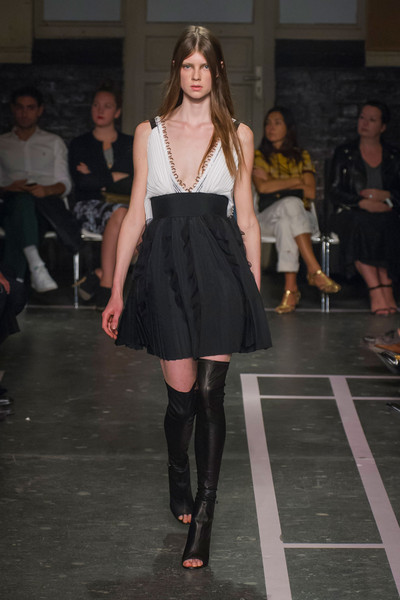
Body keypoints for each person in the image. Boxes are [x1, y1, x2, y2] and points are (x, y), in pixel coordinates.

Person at [102, 26, 271, 569]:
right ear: (177, 71)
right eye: (187, 65)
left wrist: (253, 285)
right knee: (181, 400)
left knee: (209, 394)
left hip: (222, 266)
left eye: (204, 66)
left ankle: (204, 515)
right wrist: (116, 290)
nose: (195, 75)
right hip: (165, 268)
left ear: (217, 72)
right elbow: (135, 214)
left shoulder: (239, 134)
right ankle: (179, 474)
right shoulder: (148, 132)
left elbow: (247, 216)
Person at [252, 107, 340, 313]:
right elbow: (263, 188)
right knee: (291, 203)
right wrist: (297, 181)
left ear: (288, 127)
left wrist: (275, 182)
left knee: (287, 220)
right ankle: (313, 269)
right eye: (268, 123)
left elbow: (310, 191)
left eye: (277, 122)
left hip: (302, 219)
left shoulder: (302, 155)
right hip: (268, 218)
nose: (270, 127)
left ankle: (290, 290)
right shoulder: (258, 155)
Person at [0, 86, 78, 292]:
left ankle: (15, 285)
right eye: (20, 107)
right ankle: (36, 267)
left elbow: (65, 184)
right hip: (10, 201)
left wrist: (46, 190)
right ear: (12, 109)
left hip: (45, 207)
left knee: (18, 218)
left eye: (30, 108)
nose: (24, 113)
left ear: (39, 110)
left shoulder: (53, 142)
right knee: (21, 203)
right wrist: (8, 187)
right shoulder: (2, 143)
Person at [329, 100, 400, 315]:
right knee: (360, 224)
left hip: (384, 212)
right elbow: (334, 190)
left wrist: (387, 197)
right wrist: (361, 202)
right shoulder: (345, 152)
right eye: (362, 118)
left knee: (388, 224)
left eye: (372, 120)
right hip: (351, 212)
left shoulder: (393, 154)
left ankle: (386, 288)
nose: (365, 123)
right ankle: (376, 289)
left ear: (383, 126)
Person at [69, 83, 133, 309]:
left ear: (117, 112)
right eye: (96, 105)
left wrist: (98, 177)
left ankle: (101, 274)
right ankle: (107, 287)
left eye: (107, 106)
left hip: (125, 206)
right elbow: (83, 183)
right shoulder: (80, 144)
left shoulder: (130, 143)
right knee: (123, 215)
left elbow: (137, 181)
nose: (100, 110)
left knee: (140, 223)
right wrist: (115, 176)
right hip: (88, 207)